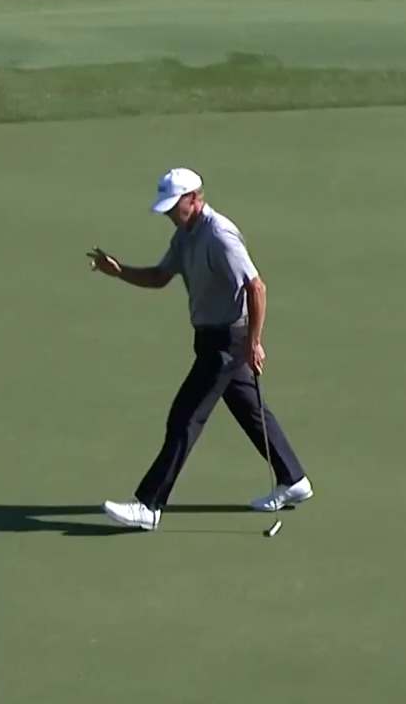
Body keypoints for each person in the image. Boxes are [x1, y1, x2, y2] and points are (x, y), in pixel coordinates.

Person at [88, 167, 313, 530]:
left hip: (228, 342)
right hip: (211, 338)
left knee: (184, 417)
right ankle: (294, 480)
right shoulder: (185, 235)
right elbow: (160, 277)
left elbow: (256, 288)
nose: (169, 214)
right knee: (252, 412)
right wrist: (120, 271)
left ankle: (149, 505)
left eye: (174, 206)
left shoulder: (220, 235)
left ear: (194, 199)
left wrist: (254, 342)